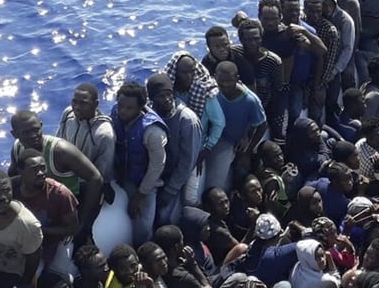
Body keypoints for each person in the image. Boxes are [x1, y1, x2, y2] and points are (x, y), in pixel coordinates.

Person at [0, 109, 103, 239]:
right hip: (37, 203)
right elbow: (12, 181)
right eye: (26, 132)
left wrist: (84, 222)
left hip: (64, 208)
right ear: (14, 134)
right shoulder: (17, 148)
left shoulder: (60, 151)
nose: (33, 136)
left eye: (36, 130)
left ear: (41, 125)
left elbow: (95, 178)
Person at [111, 81, 168, 246]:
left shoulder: (153, 132)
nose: (122, 111)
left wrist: (140, 195)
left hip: (146, 181)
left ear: (140, 107)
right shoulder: (115, 114)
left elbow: (157, 166)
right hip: (124, 175)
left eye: (129, 108)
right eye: (120, 105)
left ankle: (144, 247)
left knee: (142, 229)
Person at [146, 73, 202, 227]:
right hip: (165, 169)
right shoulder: (150, 114)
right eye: (161, 96)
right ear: (151, 99)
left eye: (169, 94)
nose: (166, 99)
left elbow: (187, 161)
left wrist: (170, 190)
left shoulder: (187, 120)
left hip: (188, 166)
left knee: (165, 216)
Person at [12, 148, 79, 276]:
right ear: (20, 171)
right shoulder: (11, 187)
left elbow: (73, 228)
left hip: (52, 242)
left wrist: (39, 231)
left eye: (43, 168)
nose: (41, 173)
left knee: (45, 274)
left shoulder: (61, 194)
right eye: (34, 169)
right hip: (19, 241)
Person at [210, 61, 267, 194]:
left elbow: (262, 125)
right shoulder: (213, 92)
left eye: (229, 81)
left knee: (241, 174)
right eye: (221, 81)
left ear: (237, 78)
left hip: (240, 144)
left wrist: (248, 150)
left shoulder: (251, 101)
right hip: (220, 140)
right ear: (215, 78)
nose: (225, 85)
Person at [56, 82, 115, 193]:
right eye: (74, 102)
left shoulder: (104, 134)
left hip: (85, 181)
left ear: (96, 104)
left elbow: (102, 172)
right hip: (63, 174)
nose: (77, 107)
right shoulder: (68, 114)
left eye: (83, 103)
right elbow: (58, 142)